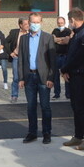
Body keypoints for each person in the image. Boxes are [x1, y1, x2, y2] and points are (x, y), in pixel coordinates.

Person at [18, 12, 55, 144]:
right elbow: (21, 59)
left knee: (45, 106)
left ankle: (46, 133)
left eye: (37, 22)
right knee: (31, 107)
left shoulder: (48, 37)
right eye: (32, 22)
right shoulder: (23, 39)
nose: (34, 24)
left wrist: (51, 78)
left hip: (44, 78)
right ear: (28, 23)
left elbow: (52, 61)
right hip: (29, 77)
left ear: (41, 22)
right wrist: (21, 78)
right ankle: (32, 133)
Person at [61, 8, 84, 150]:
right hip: (73, 73)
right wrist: (66, 70)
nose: (70, 24)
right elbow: (70, 53)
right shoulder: (78, 33)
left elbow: (78, 56)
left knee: (80, 107)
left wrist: (64, 69)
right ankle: (78, 135)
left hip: (80, 75)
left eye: (70, 21)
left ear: (72, 20)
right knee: (75, 106)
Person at [5, 18, 27, 103]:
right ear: (20, 25)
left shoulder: (31, 33)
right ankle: (14, 95)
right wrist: (10, 53)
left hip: (27, 59)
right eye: (25, 24)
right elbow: (5, 42)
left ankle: (30, 96)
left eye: (28, 23)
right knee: (16, 77)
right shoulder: (14, 32)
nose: (28, 25)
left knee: (29, 77)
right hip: (17, 58)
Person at [52, 16, 72, 99]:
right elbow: (53, 39)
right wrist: (62, 40)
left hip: (65, 56)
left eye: (62, 23)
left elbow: (68, 40)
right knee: (55, 76)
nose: (60, 24)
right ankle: (57, 93)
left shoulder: (68, 31)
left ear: (64, 23)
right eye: (59, 23)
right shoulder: (55, 30)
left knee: (66, 75)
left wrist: (58, 40)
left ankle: (68, 94)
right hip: (56, 56)